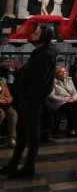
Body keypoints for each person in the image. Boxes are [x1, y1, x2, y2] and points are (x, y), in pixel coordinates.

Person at [0, 24, 57, 178]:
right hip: (27, 98)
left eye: (36, 32)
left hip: (34, 99)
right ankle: (13, 164)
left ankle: (29, 167)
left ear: (44, 36)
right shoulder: (40, 52)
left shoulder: (47, 54)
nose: (32, 34)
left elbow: (38, 78)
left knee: (32, 135)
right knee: (22, 133)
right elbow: (33, 72)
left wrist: (20, 68)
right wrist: (19, 68)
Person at [47, 65, 77, 137]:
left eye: (65, 71)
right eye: (61, 72)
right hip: (58, 103)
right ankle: (71, 129)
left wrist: (73, 99)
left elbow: (75, 92)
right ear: (57, 73)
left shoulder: (69, 80)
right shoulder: (53, 82)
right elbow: (51, 95)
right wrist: (65, 99)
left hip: (70, 101)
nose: (64, 73)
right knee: (72, 106)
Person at [0, 77, 16, 147]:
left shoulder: (2, 83)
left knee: (13, 114)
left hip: (3, 104)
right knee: (1, 114)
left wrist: (6, 100)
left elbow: (9, 96)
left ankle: (11, 138)